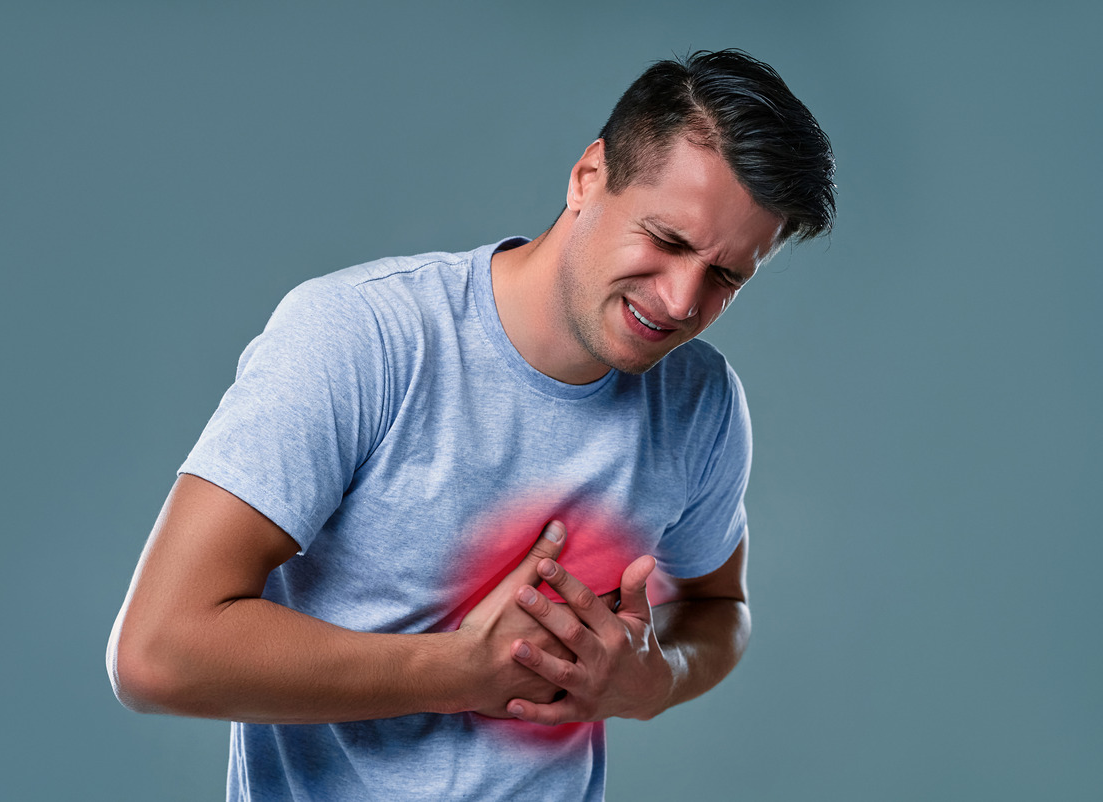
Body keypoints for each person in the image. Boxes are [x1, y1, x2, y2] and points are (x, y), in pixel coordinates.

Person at [107, 49, 835, 800]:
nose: (684, 301)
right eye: (668, 241)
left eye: (725, 276)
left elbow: (720, 607)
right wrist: (457, 671)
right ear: (590, 177)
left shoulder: (701, 402)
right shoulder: (362, 339)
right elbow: (158, 651)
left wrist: (654, 680)